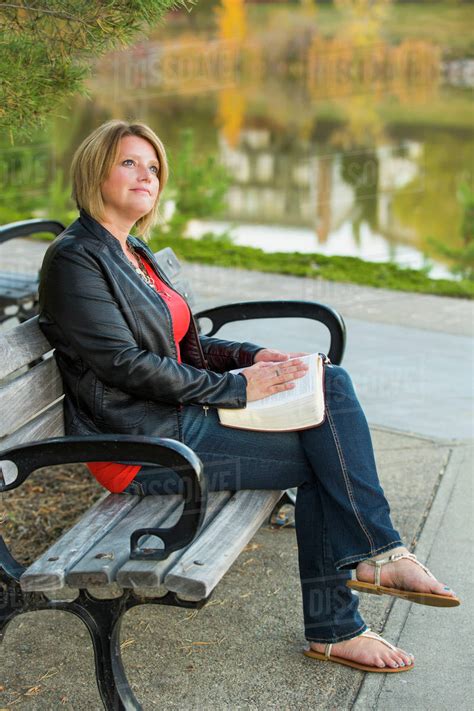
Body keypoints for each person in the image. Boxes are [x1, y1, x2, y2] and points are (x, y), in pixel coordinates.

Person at [38, 120, 459, 675]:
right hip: (140, 448)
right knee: (321, 460)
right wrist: (239, 389)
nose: (147, 176)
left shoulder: (131, 250)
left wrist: (252, 357)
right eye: (129, 163)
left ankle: (377, 562)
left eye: (154, 167)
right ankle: (350, 604)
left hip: (176, 420)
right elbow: (124, 365)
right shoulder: (76, 258)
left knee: (328, 379)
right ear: (96, 170)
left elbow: (185, 345)